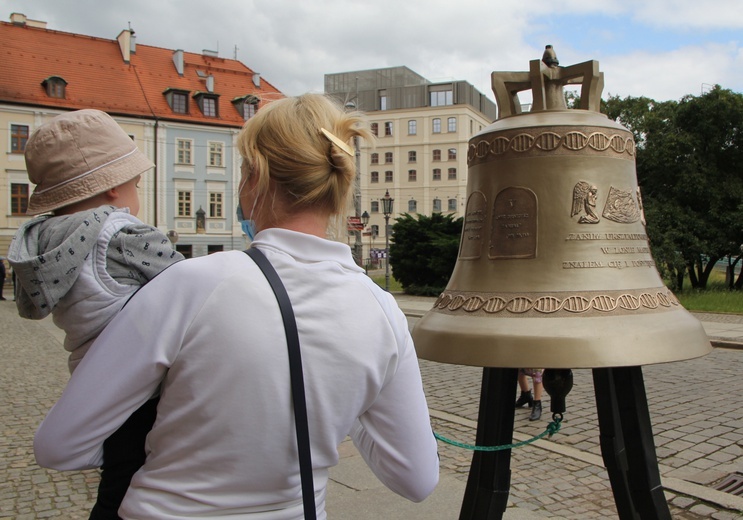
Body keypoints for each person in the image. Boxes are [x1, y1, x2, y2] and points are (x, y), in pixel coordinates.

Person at [34, 94, 440, 519]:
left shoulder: (190, 283)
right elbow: (416, 479)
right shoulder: (383, 311)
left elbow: (59, 446)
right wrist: (343, 393)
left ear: (255, 176)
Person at [8, 109, 184, 519]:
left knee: (118, 482)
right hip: (149, 387)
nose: (137, 196)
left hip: (96, 382)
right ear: (112, 187)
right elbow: (192, 286)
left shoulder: (44, 240)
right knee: (145, 482)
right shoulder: (124, 235)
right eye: (135, 184)